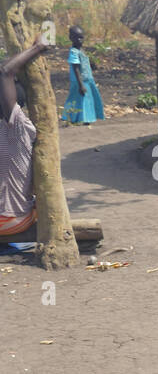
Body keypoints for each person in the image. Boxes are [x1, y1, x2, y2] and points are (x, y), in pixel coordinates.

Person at [0, 39, 52, 238]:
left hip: (11, 219)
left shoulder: (17, 126)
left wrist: (36, 49)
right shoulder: (12, 128)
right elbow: (5, 71)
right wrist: (36, 48)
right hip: (12, 217)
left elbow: (5, 71)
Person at [63, 26, 104, 125]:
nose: (79, 40)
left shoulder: (81, 50)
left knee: (86, 99)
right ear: (71, 38)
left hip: (87, 80)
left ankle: (84, 118)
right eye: (76, 37)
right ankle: (78, 118)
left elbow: (84, 63)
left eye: (81, 37)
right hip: (79, 81)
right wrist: (80, 84)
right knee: (79, 99)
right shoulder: (73, 52)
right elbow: (76, 68)